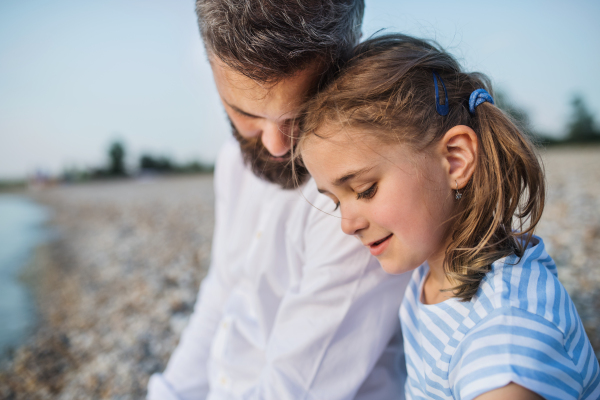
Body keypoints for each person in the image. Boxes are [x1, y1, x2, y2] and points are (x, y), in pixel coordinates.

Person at [298, 34, 600, 399]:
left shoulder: (502, 344)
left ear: (455, 160)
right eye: (335, 201)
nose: (347, 224)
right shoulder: (435, 273)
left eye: (365, 190)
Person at [147, 2, 411, 400]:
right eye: (244, 113)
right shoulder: (233, 165)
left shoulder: (356, 200)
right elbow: (222, 291)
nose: (275, 146)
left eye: (298, 115)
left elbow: (294, 390)